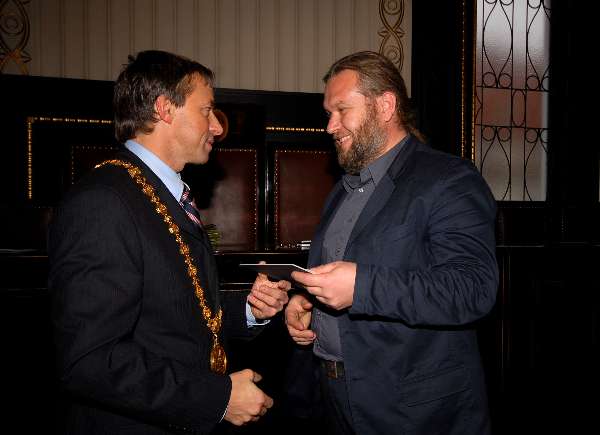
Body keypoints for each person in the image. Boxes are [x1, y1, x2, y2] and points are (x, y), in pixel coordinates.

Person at [49, 50, 290, 435]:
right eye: (206, 111)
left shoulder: (159, 193)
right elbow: (90, 361)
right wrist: (217, 398)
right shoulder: (103, 202)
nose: (217, 127)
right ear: (164, 108)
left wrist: (249, 309)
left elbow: (174, 314)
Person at [284, 51, 498, 435]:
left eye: (341, 110)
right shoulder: (342, 191)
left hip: (414, 411)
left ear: (385, 106)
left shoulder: (449, 179)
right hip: (334, 398)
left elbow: (472, 289)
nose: (330, 126)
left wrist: (361, 287)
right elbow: (344, 277)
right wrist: (308, 304)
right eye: (328, 113)